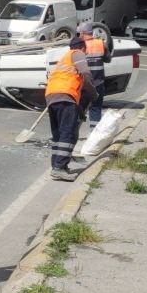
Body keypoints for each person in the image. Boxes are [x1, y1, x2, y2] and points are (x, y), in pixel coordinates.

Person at [46, 35, 96, 181]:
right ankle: (59, 168)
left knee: (58, 136)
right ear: (82, 47)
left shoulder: (64, 58)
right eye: (85, 49)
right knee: (68, 133)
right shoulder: (78, 54)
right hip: (66, 96)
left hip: (51, 96)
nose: (85, 52)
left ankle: (57, 165)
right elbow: (86, 74)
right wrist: (93, 93)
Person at [78, 22, 111, 123]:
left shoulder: (79, 46)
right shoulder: (101, 43)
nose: (79, 35)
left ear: (83, 33)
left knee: (78, 109)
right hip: (98, 83)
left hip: (83, 84)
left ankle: (72, 136)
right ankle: (94, 135)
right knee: (96, 109)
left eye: (79, 33)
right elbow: (108, 59)